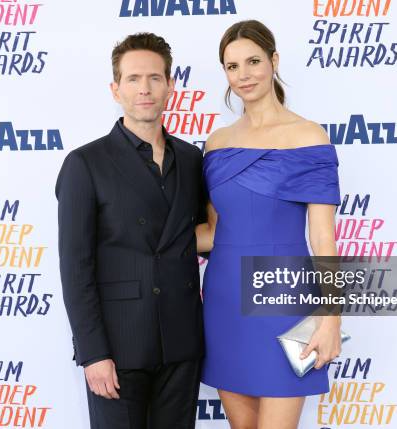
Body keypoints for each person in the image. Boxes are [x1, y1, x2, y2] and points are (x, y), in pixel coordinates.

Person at [195, 20, 343, 429]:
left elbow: (322, 237)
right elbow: (213, 230)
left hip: (284, 302)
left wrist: (331, 318)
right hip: (224, 301)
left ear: (274, 61)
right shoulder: (217, 143)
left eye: (254, 61)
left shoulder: (308, 136)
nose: (243, 75)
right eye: (232, 66)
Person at [56, 32, 206, 429]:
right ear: (115, 89)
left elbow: (202, 234)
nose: (145, 89)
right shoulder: (84, 164)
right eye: (134, 79)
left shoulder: (192, 159)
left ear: (170, 86)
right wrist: (93, 354)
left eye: (155, 78)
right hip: (118, 350)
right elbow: (76, 268)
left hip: (181, 343)